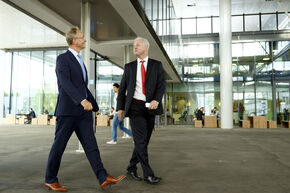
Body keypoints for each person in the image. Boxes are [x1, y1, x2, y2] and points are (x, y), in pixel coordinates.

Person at [44, 27, 125, 191]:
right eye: (82, 37)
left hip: (83, 113)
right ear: (74, 40)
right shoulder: (63, 59)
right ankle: (50, 179)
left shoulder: (80, 60)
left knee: (91, 145)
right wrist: (82, 100)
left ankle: (103, 177)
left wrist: (93, 104)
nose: (85, 40)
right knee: (59, 147)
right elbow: (65, 84)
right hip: (67, 112)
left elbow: (81, 86)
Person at [117, 37, 166, 184]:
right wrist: (120, 107)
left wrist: (156, 100)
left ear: (146, 47)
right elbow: (122, 89)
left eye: (137, 45)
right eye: (133, 45)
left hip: (150, 108)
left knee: (143, 141)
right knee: (140, 141)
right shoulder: (129, 67)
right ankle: (148, 173)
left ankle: (131, 167)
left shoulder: (157, 65)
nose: (134, 47)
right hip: (135, 107)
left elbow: (161, 85)